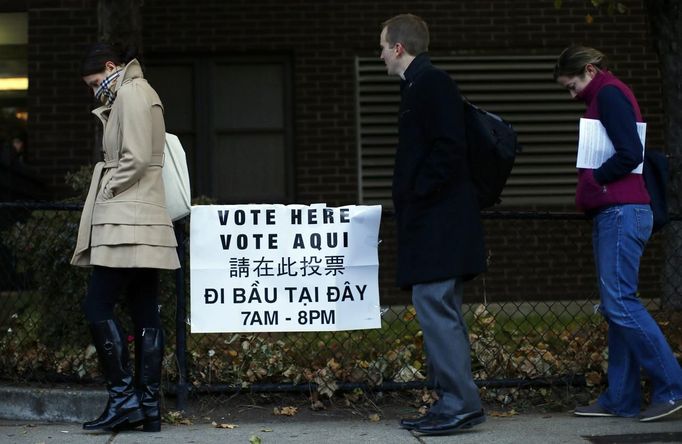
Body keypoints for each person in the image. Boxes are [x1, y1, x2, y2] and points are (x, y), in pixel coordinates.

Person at [554, 45, 682, 422]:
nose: (572, 93)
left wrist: (595, 179)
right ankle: (621, 397)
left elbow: (630, 152)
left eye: (573, 84)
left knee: (620, 304)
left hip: (621, 212)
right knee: (618, 305)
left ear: (590, 71)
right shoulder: (607, 94)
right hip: (619, 212)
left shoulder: (608, 94)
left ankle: (672, 388)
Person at [379, 14, 487, 435]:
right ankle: (451, 402)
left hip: (439, 225)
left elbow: (448, 147)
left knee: (436, 310)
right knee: (440, 312)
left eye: (383, 46)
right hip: (439, 223)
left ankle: (459, 403)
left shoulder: (431, 84)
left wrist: (416, 194)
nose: (380, 54)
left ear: (400, 48)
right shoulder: (421, 85)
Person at [71, 43, 180, 432]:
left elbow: (133, 157)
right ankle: (147, 408)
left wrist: (106, 192)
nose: (94, 90)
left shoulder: (132, 93)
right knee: (144, 307)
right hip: (142, 216)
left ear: (111, 67)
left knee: (97, 305)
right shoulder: (139, 92)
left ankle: (124, 400)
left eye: (96, 81)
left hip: (127, 216)